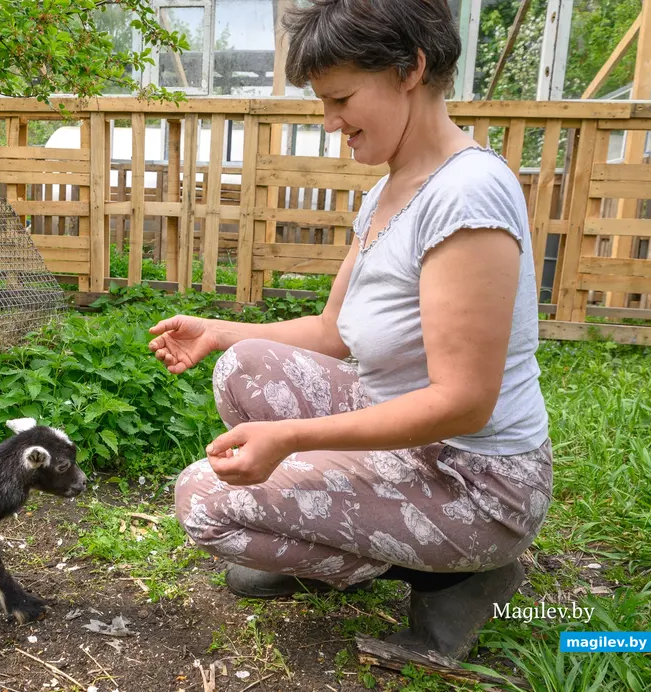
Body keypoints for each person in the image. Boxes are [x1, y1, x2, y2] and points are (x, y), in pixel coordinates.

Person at [148, 0, 552, 662]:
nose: (331, 122)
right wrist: (220, 329)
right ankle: (337, 534)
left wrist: (292, 439)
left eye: (340, 98)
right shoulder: (393, 187)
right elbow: (335, 329)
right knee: (245, 365)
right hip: (409, 436)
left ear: (411, 69)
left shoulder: (467, 193)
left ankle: (459, 576)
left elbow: (464, 402)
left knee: (203, 499)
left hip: (477, 481)